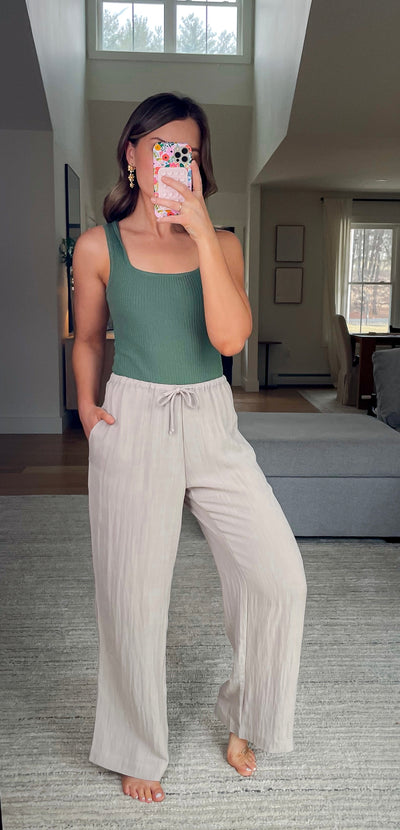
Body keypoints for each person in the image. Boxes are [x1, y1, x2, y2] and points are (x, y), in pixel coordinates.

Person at [72, 92, 307, 805]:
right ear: (132, 154)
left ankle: (246, 718)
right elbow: (88, 339)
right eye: (161, 147)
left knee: (278, 577)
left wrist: (201, 231)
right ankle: (135, 744)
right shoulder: (98, 246)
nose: (175, 162)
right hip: (134, 418)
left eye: (189, 153)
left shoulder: (223, 242)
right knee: (133, 595)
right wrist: (87, 409)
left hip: (210, 417)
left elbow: (229, 338)